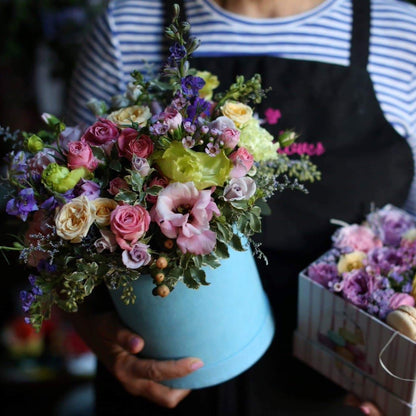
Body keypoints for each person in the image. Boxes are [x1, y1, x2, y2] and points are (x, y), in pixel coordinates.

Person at [65, 0, 416, 415]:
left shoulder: (403, 35)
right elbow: (65, 214)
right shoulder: (127, 26)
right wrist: (95, 331)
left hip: (341, 388)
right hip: (165, 382)